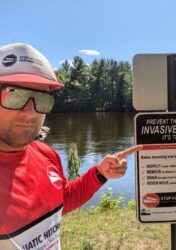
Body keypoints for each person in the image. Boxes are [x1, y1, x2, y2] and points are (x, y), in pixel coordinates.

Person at [0, 43, 142, 250]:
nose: (30, 112)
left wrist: (99, 174)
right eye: (15, 95)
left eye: (42, 99)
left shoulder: (46, 154)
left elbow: (61, 201)